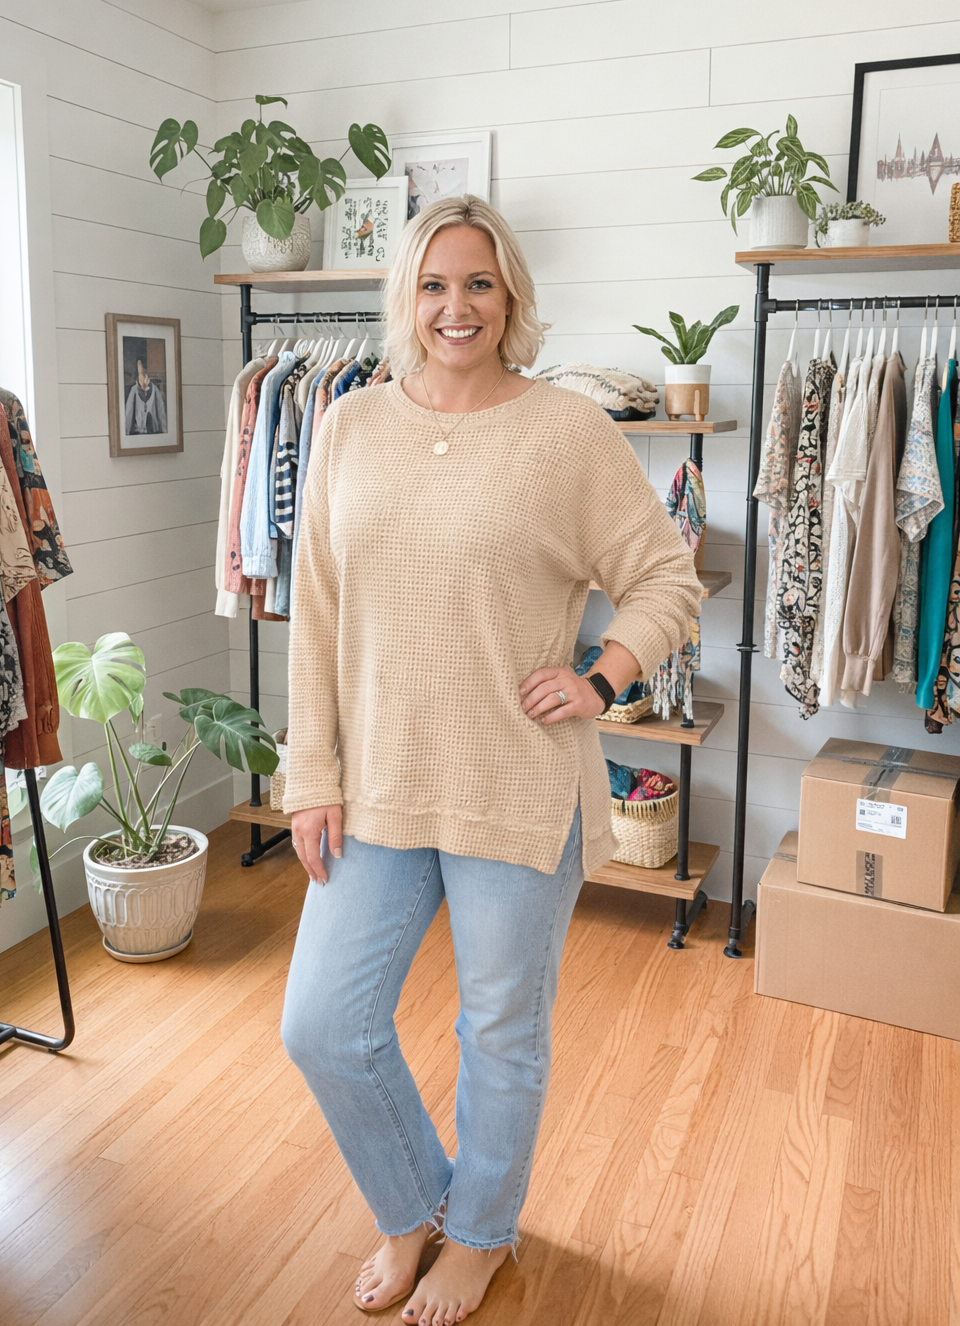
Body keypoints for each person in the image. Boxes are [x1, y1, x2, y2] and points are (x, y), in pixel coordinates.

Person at [280, 195, 701, 1325]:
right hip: (374, 786)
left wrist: (602, 676)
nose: (453, 306)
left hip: (516, 786)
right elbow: (315, 613)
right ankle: (413, 1206)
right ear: (403, 299)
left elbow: (667, 578)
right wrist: (307, 774)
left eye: (476, 283)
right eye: (431, 284)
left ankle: (478, 1235)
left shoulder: (565, 431)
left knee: (499, 1031)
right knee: (320, 1022)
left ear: (509, 295)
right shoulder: (348, 427)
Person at [124, 357, 167, 435]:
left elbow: (161, 413)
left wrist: (164, 432)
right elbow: (128, 413)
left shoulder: (155, 389)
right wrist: (127, 432)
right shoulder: (134, 390)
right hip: (138, 431)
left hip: (154, 431)